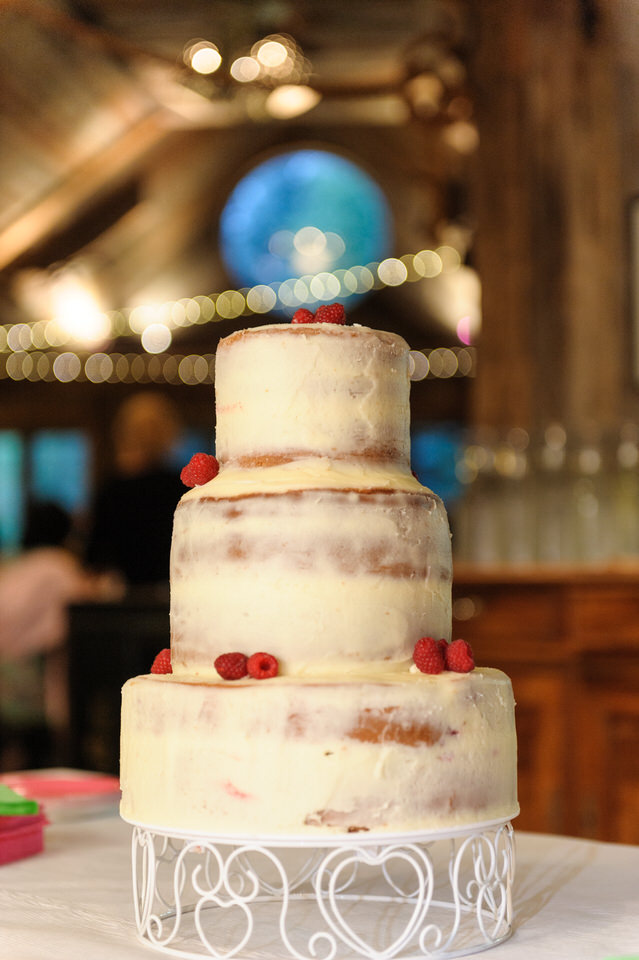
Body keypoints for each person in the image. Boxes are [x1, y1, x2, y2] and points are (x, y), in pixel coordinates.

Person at [0, 501, 100, 770]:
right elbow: (83, 608)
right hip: (34, 678)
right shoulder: (58, 565)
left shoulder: (16, 564)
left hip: (9, 671)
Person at [84, 391, 184, 590]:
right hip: (135, 595)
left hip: (145, 595)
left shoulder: (112, 488)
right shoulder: (179, 486)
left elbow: (95, 556)